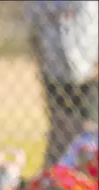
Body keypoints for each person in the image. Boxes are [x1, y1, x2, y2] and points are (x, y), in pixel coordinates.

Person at [26, 1, 98, 167]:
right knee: (60, 130)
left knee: (90, 131)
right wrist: (41, 63)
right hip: (54, 71)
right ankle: (54, 180)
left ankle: (86, 182)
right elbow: (34, 30)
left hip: (90, 72)